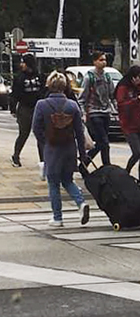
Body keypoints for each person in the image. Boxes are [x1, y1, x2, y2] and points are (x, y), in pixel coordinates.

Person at [32, 71, 90, 228]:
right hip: (69, 148)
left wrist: (45, 141)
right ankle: (81, 203)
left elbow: (36, 128)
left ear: (49, 85)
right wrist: (83, 155)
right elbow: (79, 132)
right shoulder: (72, 105)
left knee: (53, 183)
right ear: (65, 86)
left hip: (52, 149)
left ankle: (57, 218)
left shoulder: (42, 105)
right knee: (67, 180)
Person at [114, 65, 140, 184]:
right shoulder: (123, 87)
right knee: (137, 152)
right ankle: (126, 172)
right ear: (133, 78)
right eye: (139, 77)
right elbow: (122, 104)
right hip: (129, 124)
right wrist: (137, 100)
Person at [78, 52, 114, 166]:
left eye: (104, 59)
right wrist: (83, 114)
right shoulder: (89, 77)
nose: (103, 62)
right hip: (94, 113)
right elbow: (82, 98)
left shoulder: (107, 77)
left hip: (106, 112)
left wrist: (114, 108)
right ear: (94, 62)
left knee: (101, 143)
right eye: (100, 60)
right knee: (104, 142)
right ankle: (107, 166)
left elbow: (112, 95)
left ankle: (84, 161)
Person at [10, 53, 44, 169]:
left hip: (38, 107)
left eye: (23, 62)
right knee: (24, 133)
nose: (21, 65)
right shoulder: (19, 77)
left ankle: (43, 161)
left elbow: (44, 91)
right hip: (25, 108)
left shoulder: (39, 76)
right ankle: (16, 155)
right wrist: (13, 108)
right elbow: (14, 94)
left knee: (40, 134)